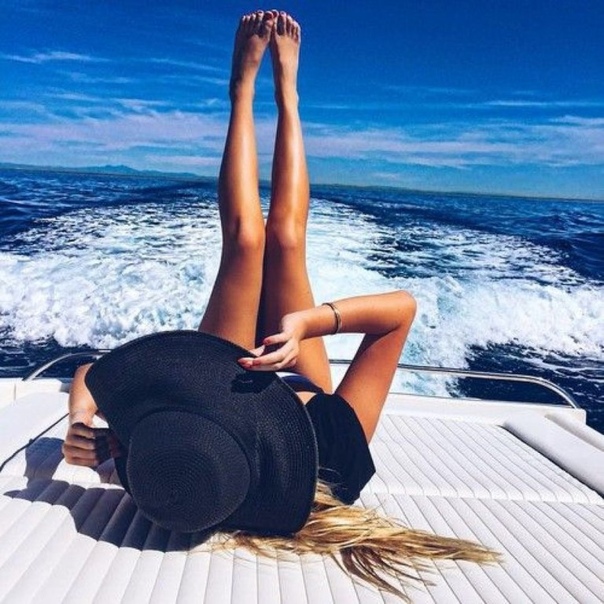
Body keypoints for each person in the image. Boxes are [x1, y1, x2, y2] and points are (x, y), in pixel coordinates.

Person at [63, 10, 497, 598]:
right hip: (297, 364)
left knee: (247, 240)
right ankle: (287, 94)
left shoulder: (167, 463)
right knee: (283, 238)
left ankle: (240, 90)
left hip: (217, 370)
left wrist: (80, 423)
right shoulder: (333, 457)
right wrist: (310, 324)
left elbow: (93, 374)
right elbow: (401, 311)